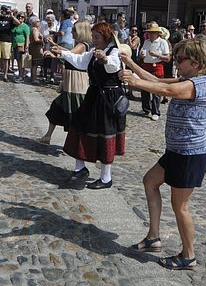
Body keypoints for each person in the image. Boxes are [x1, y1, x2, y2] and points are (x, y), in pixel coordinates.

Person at [121, 38, 206, 270]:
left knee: (180, 206)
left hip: (190, 155)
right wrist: (131, 64)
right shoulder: (187, 79)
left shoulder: (197, 84)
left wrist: (135, 83)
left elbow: (167, 90)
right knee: (150, 181)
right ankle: (153, 237)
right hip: (176, 151)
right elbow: (158, 80)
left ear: (196, 62)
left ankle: (188, 256)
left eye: (180, 59)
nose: (176, 63)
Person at [52, 22, 125, 189]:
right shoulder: (93, 52)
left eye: (97, 37)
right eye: (93, 37)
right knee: (79, 126)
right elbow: (79, 60)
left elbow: (114, 65)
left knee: (105, 134)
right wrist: (61, 52)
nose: (94, 40)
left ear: (106, 37)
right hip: (93, 95)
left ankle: (106, 178)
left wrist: (104, 59)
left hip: (108, 98)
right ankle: (80, 168)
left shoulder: (114, 51)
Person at [39, 20, 91, 145]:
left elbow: (69, 55)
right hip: (69, 83)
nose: (71, 32)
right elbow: (67, 52)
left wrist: (54, 54)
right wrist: (55, 45)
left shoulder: (83, 45)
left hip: (76, 84)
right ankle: (48, 136)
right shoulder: (78, 45)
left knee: (73, 113)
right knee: (56, 108)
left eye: (74, 30)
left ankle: (78, 142)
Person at [140, 21, 171, 120]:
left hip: (157, 67)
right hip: (146, 66)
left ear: (157, 33)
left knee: (156, 91)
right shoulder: (146, 41)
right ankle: (146, 109)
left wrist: (157, 55)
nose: (150, 35)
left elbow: (167, 58)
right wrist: (141, 55)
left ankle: (156, 112)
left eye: (152, 33)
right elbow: (142, 52)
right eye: (149, 33)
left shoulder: (163, 42)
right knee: (144, 89)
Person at [0, 5, 15, 81]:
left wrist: (12, 16)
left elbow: (18, 23)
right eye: (2, 10)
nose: (4, 12)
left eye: (5, 10)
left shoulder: (10, 18)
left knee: (6, 59)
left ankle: (5, 75)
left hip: (7, 40)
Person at [11, 12, 31, 80]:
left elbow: (27, 37)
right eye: (19, 16)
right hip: (15, 45)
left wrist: (27, 46)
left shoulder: (25, 26)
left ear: (24, 18)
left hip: (21, 45)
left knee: (20, 61)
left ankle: (21, 75)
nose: (20, 18)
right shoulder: (15, 25)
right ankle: (20, 74)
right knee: (17, 60)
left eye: (22, 17)